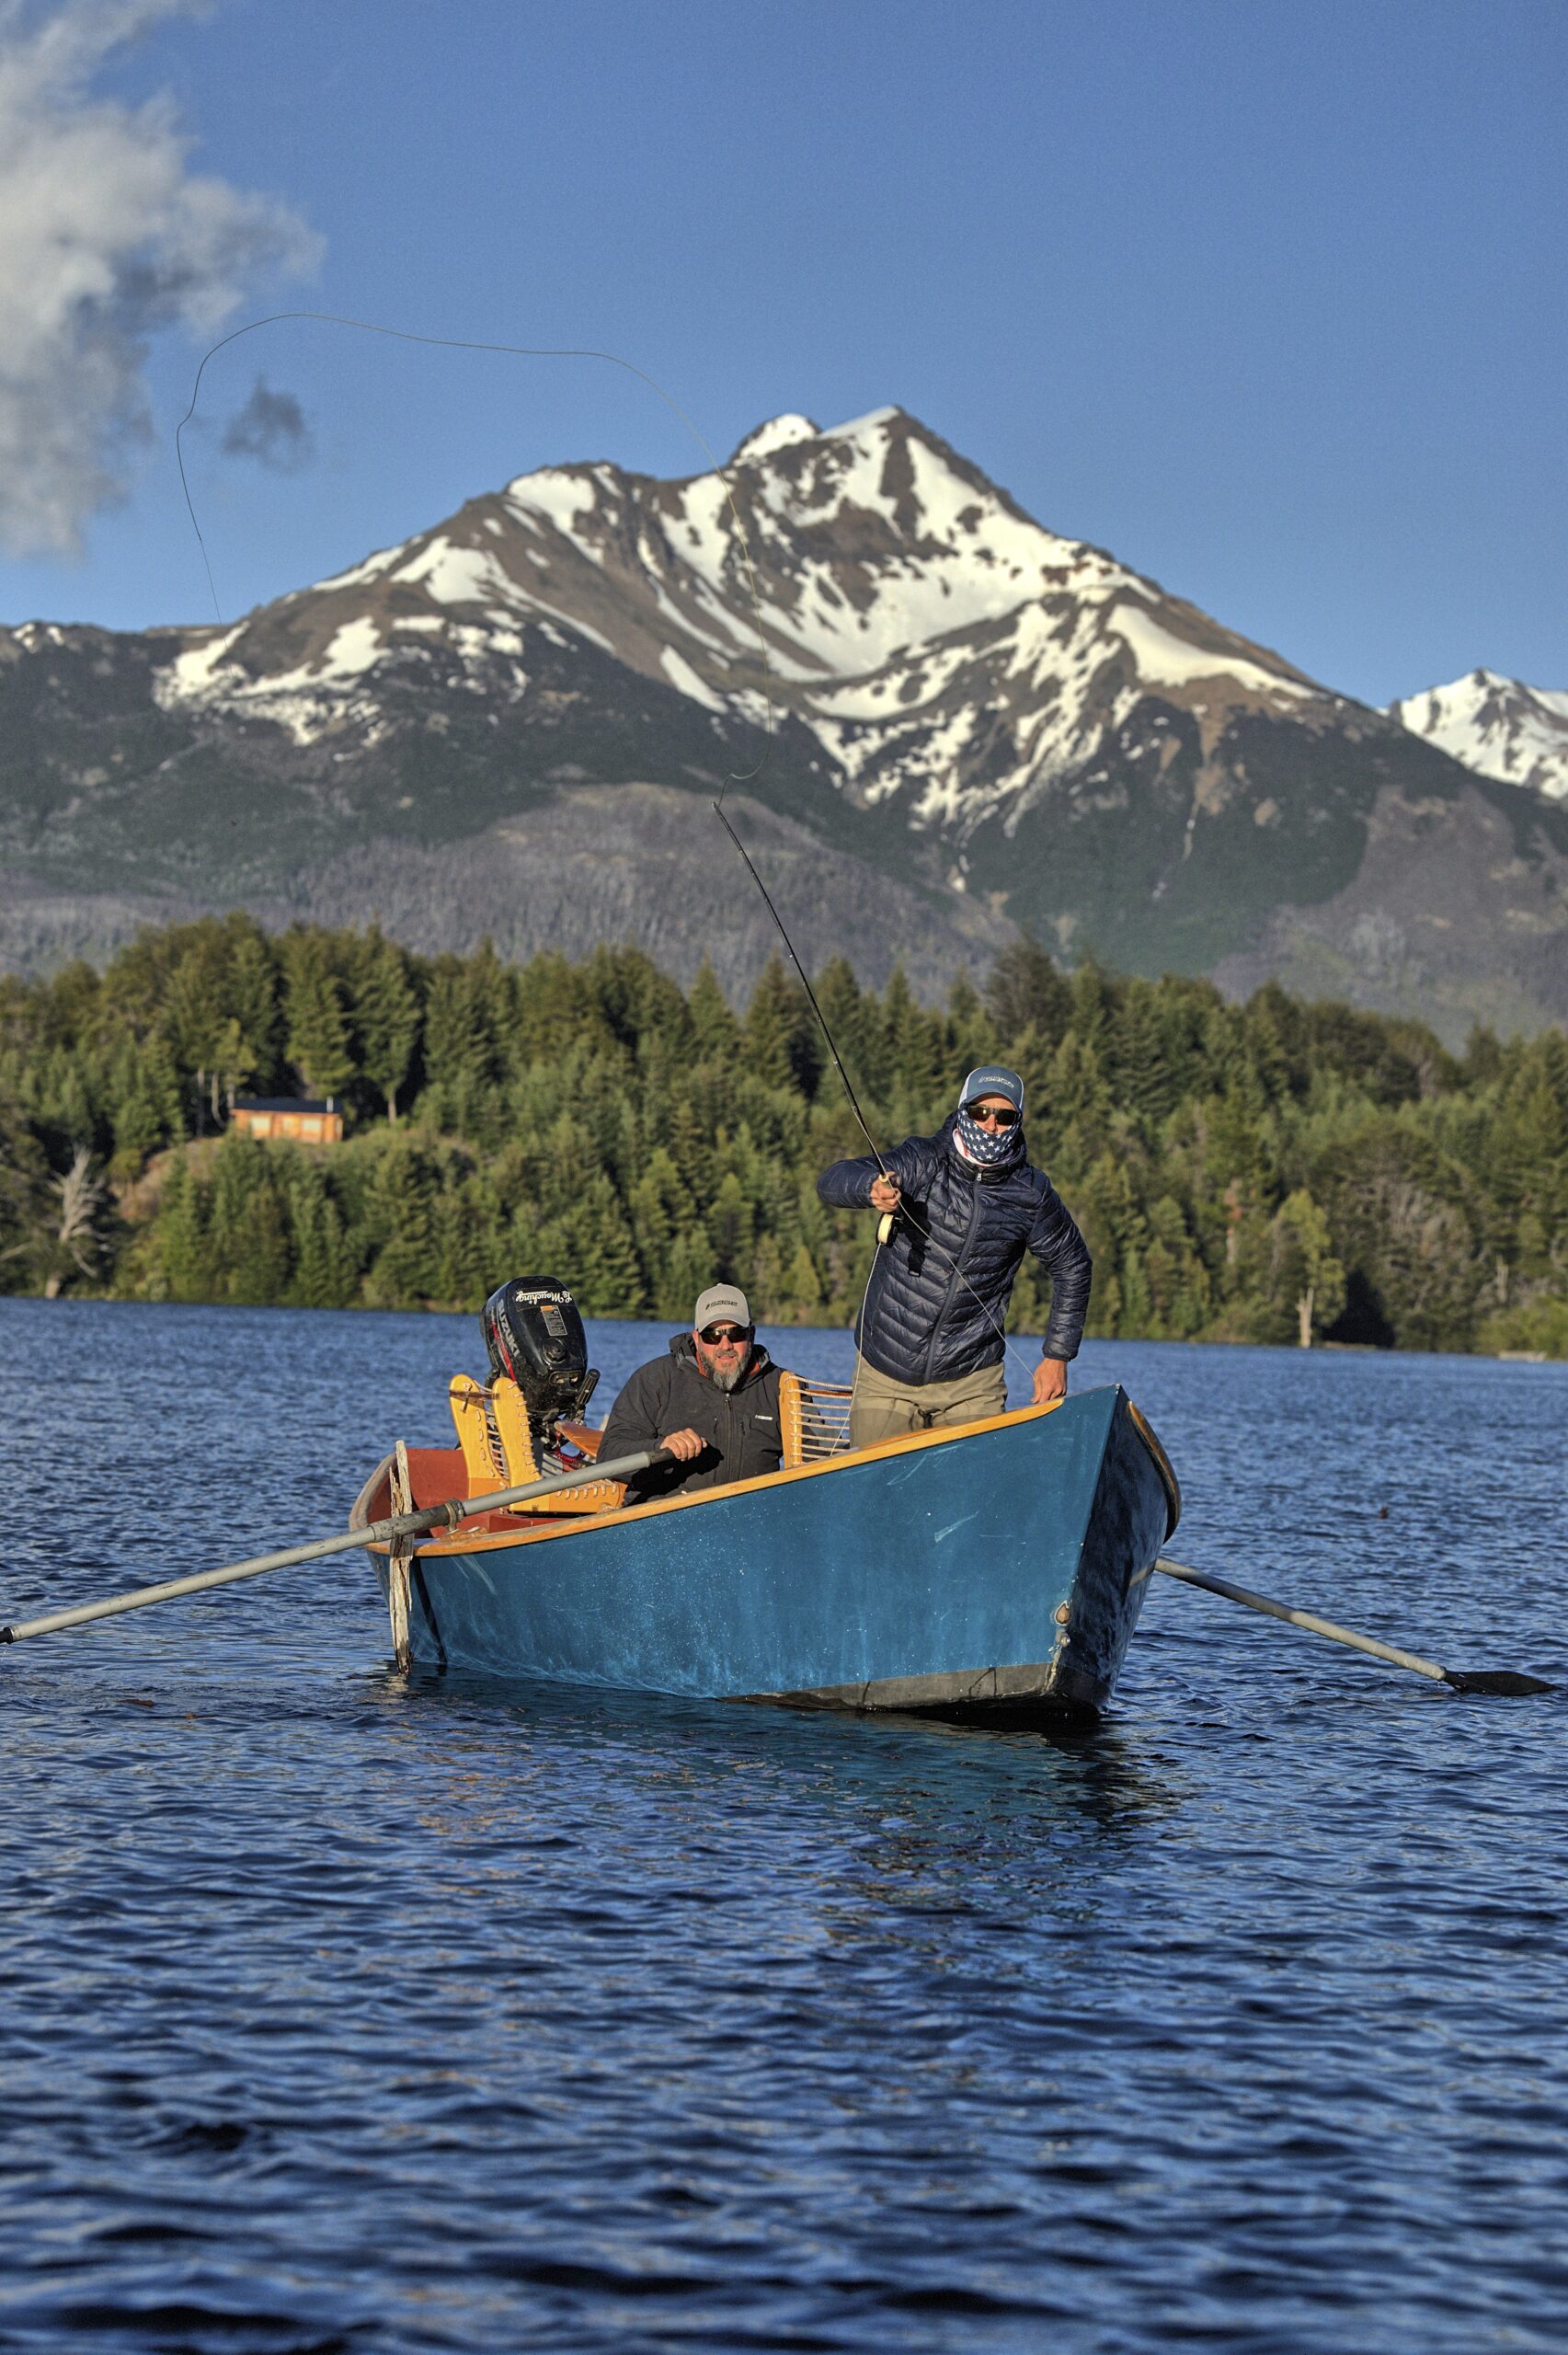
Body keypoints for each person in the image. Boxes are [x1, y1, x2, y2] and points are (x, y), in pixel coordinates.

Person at [817, 1063, 1092, 1447]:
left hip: (972, 1379)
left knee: (975, 1496)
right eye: (981, 1112)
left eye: (1004, 1115)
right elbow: (831, 1181)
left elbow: (1073, 1266)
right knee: (879, 1494)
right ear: (964, 1111)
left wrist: (1057, 1356)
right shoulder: (923, 1159)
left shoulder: (1031, 1193)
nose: (991, 1124)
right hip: (886, 1368)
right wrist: (871, 1188)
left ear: (1018, 1121)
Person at [597, 1284, 785, 1503]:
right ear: (696, 1339)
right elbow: (609, 1455)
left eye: (736, 1334)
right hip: (664, 1523)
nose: (725, 1345)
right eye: (712, 1335)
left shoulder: (782, 1387)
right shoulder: (655, 1379)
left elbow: (823, 1461)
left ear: (751, 1335)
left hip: (750, 1522)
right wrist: (660, 1448)